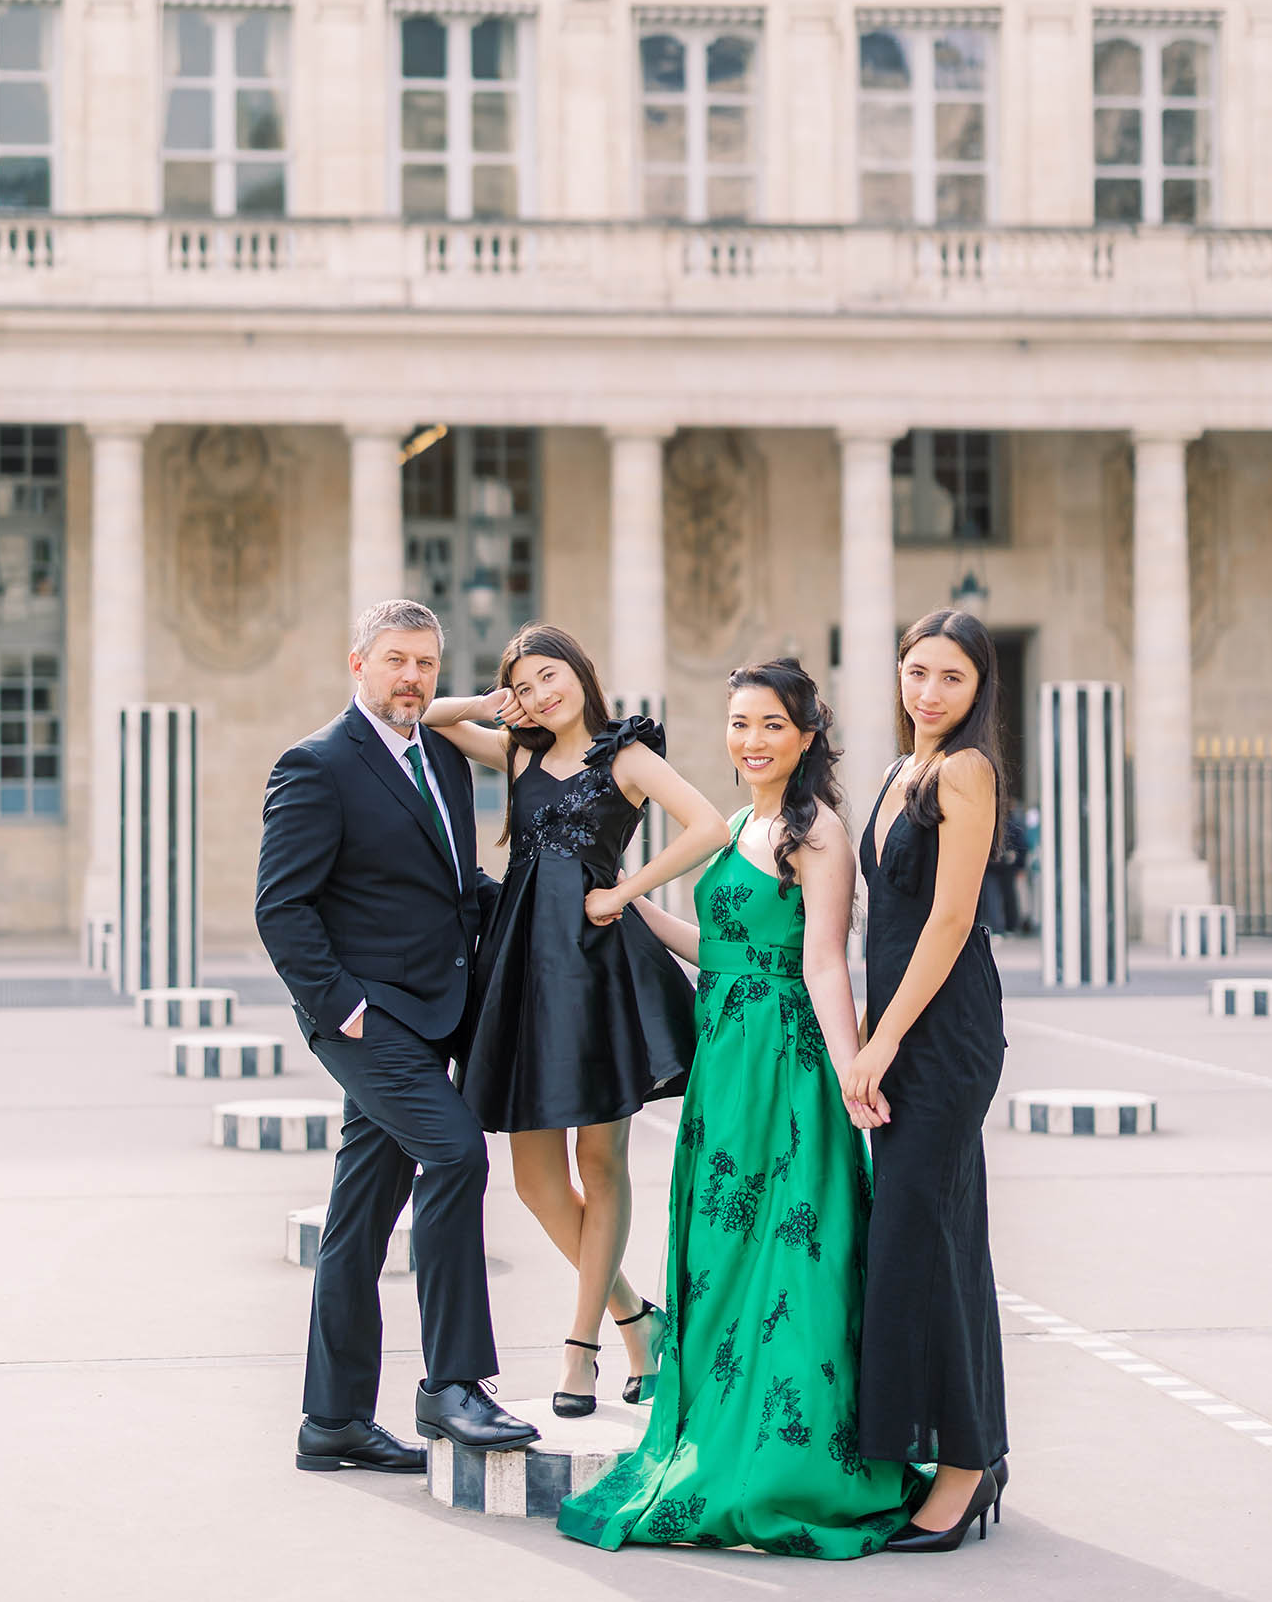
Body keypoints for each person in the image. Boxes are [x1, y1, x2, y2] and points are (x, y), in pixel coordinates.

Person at [557, 660, 918, 1558]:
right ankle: (719, 1423)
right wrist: (628, 903)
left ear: (804, 736)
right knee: (722, 1254)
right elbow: (719, 945)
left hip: (784, 1068)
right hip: (725, 1064)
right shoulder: (744, 825)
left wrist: (849, 1074)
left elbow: (825, 961)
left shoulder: (815, 831)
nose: (750, 742)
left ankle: (790, 1459)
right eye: (738, 724)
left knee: (788, 1255)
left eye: (769, 726)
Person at [254, 598, 539, 1475]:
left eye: (424, 663)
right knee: (456, 1154)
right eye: (395, 661)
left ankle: (332, 1420)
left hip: (436, 1015)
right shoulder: (316, 765)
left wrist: (553, 922)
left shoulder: (442, 760)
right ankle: (451, 1386)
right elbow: (281, 907)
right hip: (367, 1023)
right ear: (358, 665)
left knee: (359, 1217)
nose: (411, 677)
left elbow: (459, 888)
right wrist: (342, 1009)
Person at [424, 625, 724, 1416]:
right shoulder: (518, 752)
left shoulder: (625, 756)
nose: (540, 695)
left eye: (549, 677)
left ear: (581, 674)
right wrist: (494, 703)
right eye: (525, 686)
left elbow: (708, 826)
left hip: (597, 967)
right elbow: (428, 718)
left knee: (600, 1166)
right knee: (533, 1182)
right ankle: (637, 1317)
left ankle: (580, 1346)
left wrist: (626, 894)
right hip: (521, 968)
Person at [846, 607, 1010, 1551]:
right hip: (904, 1021)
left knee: (922, 1228)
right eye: (917, 671)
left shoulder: (966, 771)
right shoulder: (898, 769)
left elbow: (949, 923)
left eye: (951, 676)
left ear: (979, 686)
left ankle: (962, 1468)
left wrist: (884, 1043)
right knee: (938, 1229)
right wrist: (868, 1031)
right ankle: (970, 1448)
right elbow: (889, 925)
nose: (930, 691)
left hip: (946, 1033)